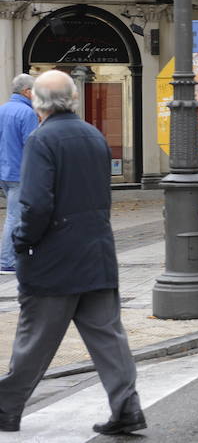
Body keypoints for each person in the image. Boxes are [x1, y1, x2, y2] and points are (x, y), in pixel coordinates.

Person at [0, 70, 145, 435]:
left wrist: (22, 243)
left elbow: (34, 204)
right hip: (96, 253)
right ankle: (127, 406)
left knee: (35, 339)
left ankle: (6, 409)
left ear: (37, 102)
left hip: (53, 259)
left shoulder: (41, 139)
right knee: (108, 336)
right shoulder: (94, 135)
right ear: (74, 100)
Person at [0, 74, 39, 275]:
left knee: (15, 214)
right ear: (27, 92)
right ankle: (7, 260)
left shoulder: (2, 110)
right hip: (19, 172)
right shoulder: (27, 113)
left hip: (4, 171)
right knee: (14, 216)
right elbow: (32, 146)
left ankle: (16, 255)